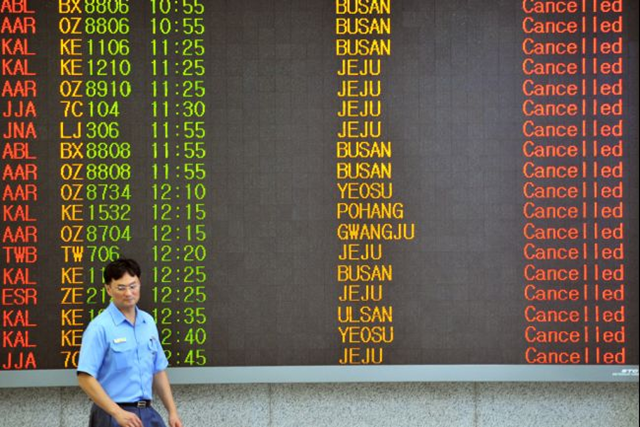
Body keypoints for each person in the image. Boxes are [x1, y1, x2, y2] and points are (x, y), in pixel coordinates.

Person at [77, 258, 184, 427]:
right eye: (121, 287)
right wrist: (117, 413)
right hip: (112, 414)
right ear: (108, 289)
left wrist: (172, 412)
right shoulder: (99, 327)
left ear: (139, 284)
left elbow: (158, 370)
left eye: (133, 286)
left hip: (147, 413)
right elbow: (85, 377)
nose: (128, 293)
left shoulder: (148, 322)